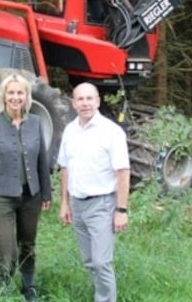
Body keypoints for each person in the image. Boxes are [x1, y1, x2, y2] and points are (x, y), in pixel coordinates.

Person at [0, 73, 51, 301]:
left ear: (26, 96)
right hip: (3, 199)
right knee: (8, 251)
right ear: (4, 95)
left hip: (31, 197)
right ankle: (4, 287)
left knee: (28, 244)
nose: (15, 97)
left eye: (20, 92)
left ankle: (29, 286)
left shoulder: (36, 123)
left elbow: (42, 161)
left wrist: (46, 194)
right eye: (11, 92)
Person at [57, 82, 130, 302]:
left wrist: (121, 209)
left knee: (101, 262)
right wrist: (64, 202)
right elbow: (65, 167)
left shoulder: (111, 132)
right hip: (77, 204)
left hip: (102, 204)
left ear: (98, 101)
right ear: (73, 103)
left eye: (90, 98)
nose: (85, 103)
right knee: (89, 261)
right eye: (80, 99)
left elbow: (123, 171)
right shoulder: (70, 130)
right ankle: (101, 295)